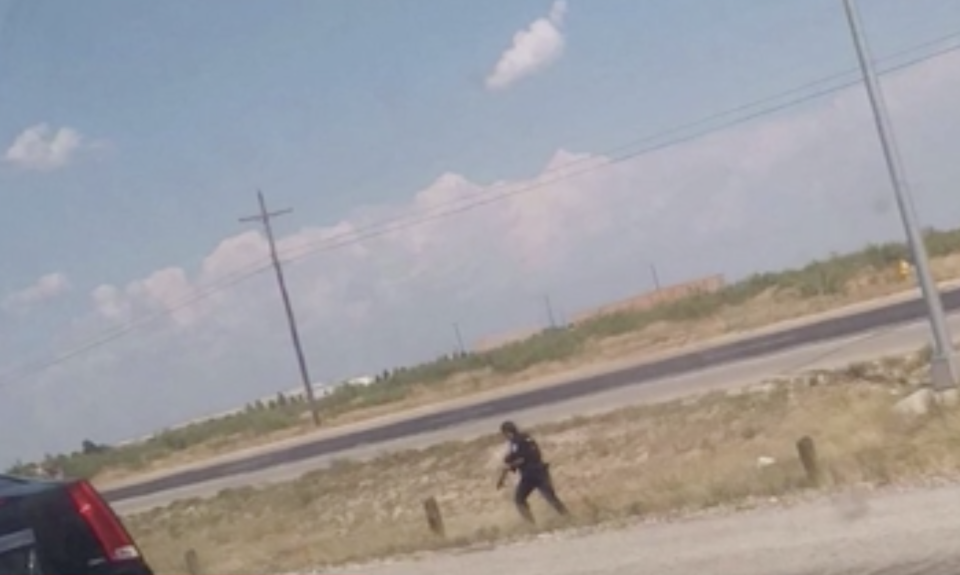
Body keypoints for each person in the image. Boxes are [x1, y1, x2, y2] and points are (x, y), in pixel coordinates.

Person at [496, 420, 569, 523]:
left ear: (507, 432)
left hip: (530, 475)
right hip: (540, 471)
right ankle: (568, 517)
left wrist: (509, 467)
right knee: (551, 497)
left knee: (519, 500)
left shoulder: (516, 442)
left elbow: (521, 459)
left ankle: (531, 524)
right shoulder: (527, 438)